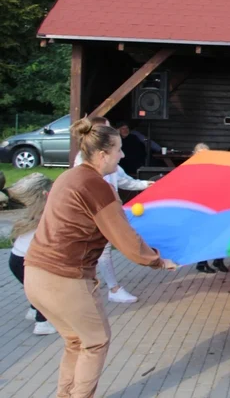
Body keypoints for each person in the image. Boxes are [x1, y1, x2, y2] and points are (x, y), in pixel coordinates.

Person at [24, 117, 177, 398]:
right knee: (95, 342)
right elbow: (126, 240)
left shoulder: (70, 176)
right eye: (118, 150)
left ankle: (65, 395)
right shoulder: (96, 186)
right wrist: (158, 260)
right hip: (64, 279)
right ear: (102, 154)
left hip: (35, 273)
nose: (121, 155)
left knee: (76, 341)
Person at [74, 116, 154, 303]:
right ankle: (112, 289)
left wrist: (146, 184)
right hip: (93, 217)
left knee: (101, 251)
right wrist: (156, 260)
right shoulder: (83, 168)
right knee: (96, 252)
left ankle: (108, 287)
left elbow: (125, 180)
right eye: (108, 129)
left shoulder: (111, 165)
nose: (122, 155)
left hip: (103, 215)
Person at [8, 175, 56, 335]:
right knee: (45, 291)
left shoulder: (34, 214)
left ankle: (33, 309)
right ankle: (42, 323)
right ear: (45, 195)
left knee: (35, 289)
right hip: (28, 260)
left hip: (16, 259)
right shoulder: (46, 215)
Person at [192, 143, 229, 274]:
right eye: (201, 152)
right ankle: (202, 263)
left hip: (216, 207)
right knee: (204, 236)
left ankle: (219, 260)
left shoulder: (215, 168)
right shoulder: (191, 169)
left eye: (207, 152)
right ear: (195, 154)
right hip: (200, 208)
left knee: (222, 233)